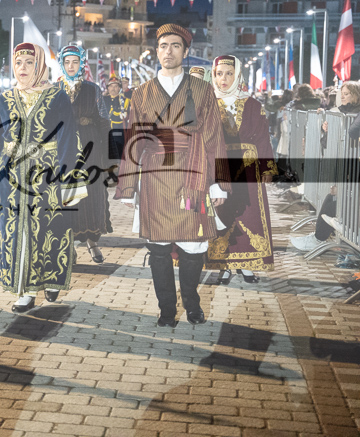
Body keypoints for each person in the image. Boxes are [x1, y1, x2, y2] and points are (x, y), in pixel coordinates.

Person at [115, 24, 230, 327]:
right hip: (155, 178)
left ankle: (191, 302)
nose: (169, 51)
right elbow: (133, 139)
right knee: (158, 249)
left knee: (194, 245)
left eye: (176, 46)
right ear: (156, 51)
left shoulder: (202, 90)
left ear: (186, 51)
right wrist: (128, 186)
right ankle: (166, 309)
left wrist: (219, 185)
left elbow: (214, 138)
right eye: (164, 45)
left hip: (194, 177)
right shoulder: (141, 93)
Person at [0, 42, 88, 313]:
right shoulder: (3, 100)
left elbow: (67, 137)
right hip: (10, 178)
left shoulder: (57, 97)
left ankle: (50, 279)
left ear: (40, 66)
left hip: (47, 178)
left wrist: (68, 179)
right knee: (15, 233)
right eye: (18, 63)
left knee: (48, 232)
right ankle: (24, 291)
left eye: (29, 63)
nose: (22, 68)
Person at [205, 55, 277, 284]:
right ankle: (223, 265)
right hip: (219, 167)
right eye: (219, 74)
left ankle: (247, 266)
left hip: (247, 169)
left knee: (248, 215)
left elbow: (263, 138)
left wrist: (267, 167)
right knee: (222, 214)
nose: (223, 79)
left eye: (229, 73)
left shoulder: (253, 105)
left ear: (237, 76)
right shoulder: (206, 104)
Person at [56, 44, 112, 263]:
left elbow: (104, 122)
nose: (71, 66)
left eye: (75, 61)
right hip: (63, 147)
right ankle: (68, 244)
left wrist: (108, 156)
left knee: (91, 194)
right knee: (67, 195)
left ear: (82, 63)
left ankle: (92, 241)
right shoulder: (53, 89)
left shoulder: (92, 89)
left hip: (91, 148)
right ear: (62, 64)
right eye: (67, 62)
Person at [291, 81, 360, 252]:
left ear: (356, 95)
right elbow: (326, 143)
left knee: (338, 196)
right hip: (346, 166)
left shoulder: (351, 113)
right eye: (341, 94)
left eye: (347, 94)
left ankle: (323, 236)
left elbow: (352, 133)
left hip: (352, 166)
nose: (342, 97)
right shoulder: (340, 113)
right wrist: (328, 130)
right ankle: (321, 236)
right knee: (335, 196)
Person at [103, 75, 129, 160]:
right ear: (108, 88)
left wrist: (126, 116)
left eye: (115, 86)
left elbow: (130, 117)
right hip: (105, 132)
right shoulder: (103, 100)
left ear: (119, 88)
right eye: (111, 86)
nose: (113, 89)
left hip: (119, 133)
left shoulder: (125, 101)